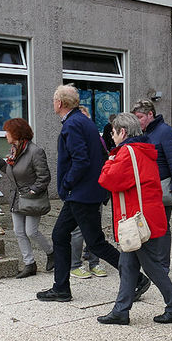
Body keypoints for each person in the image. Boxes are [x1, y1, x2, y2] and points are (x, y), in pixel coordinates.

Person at [37, 84, 147, 302]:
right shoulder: (82, 120)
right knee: (59, 235)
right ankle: (61, 288)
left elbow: (81, 160)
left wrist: (67, 184)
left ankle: (138, 279)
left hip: (81, 194)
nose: (52, 103)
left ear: (60, 103)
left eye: (53, 100)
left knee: (96, 243)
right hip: (83, 193)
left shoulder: (73, 124)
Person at [96, 112, 172, 325]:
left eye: (114, 132)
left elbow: (106, 179)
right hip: (145, 216)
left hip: (137, 221)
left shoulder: (126, 151)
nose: (112, 136)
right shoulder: (142, 149)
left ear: (123, 132)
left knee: (152, 266)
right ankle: (121, 311)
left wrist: (110, 158)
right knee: (127, 266)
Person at [0, 118, 53, 279]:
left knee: (31, 231)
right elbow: (10, 171)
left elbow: (44, 177)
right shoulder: (14, 150)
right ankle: (29, 263)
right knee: (18, 231)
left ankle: (52, 253)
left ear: (16, 133)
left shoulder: (35, 151)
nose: (5, 135)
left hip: (31, 198)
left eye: (8, 131)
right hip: (17, 197)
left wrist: (32, 191)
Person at [131, 99, 172, 268]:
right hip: (146, 188)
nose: (137, 121)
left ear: (150, 114)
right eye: (135, 117)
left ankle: (163, 265)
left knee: (162, 227)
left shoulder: (166, 132)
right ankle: (152, 262)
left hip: (161, 187)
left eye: (140, 117)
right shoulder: (144, 133)